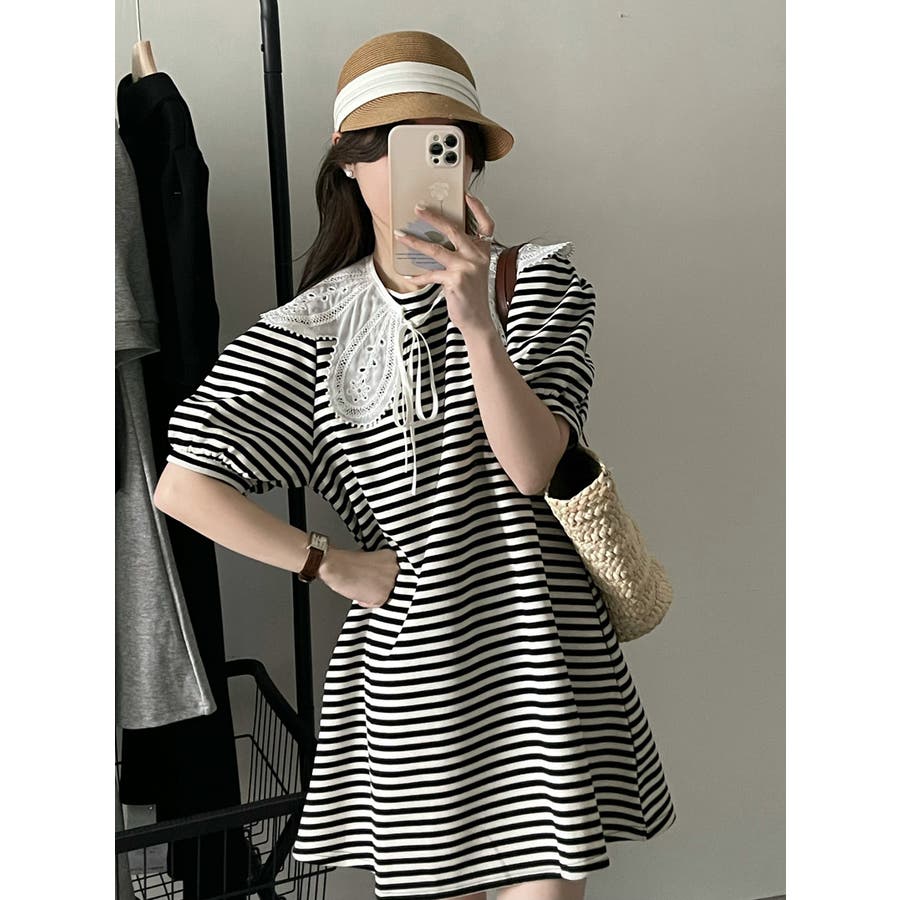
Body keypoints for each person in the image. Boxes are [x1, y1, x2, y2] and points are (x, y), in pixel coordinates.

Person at [154, 29, 676, 900]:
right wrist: (327, 562)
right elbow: (182, 484)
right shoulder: (316, 327)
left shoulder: (536, 282)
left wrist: (476, 321)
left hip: (540, 654)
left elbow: (535, 469)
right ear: (349, 161)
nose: (426, 169)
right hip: (415, 678)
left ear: (470, 163)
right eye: (394, 147)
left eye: (448, 145)